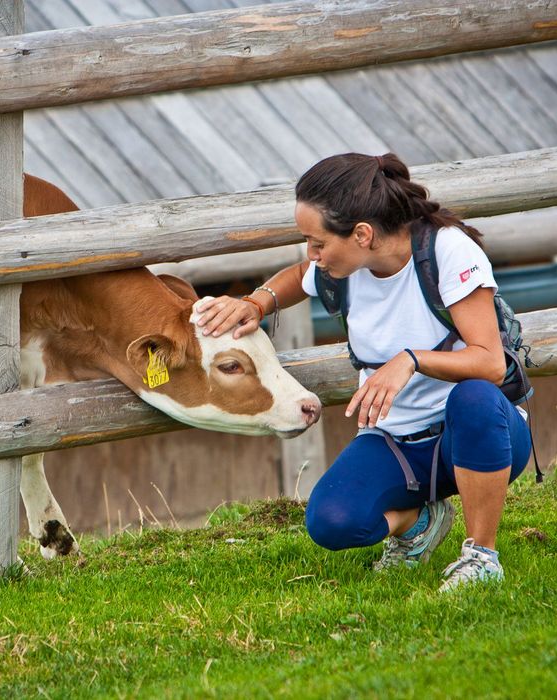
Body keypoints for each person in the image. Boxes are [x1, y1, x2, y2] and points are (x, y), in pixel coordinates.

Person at [196, 152, 532, 592]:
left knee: (473, 397)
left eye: (318, 243)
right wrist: (255, 303)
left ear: (362, 233)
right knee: (331, 523)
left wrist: (410, 359)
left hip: (479, 433)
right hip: (398, 442)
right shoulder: (344, 266)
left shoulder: (447, 251)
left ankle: (481, 556)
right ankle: (420, 522)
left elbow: (489, 362)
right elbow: (299, 277)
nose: (312, 255)